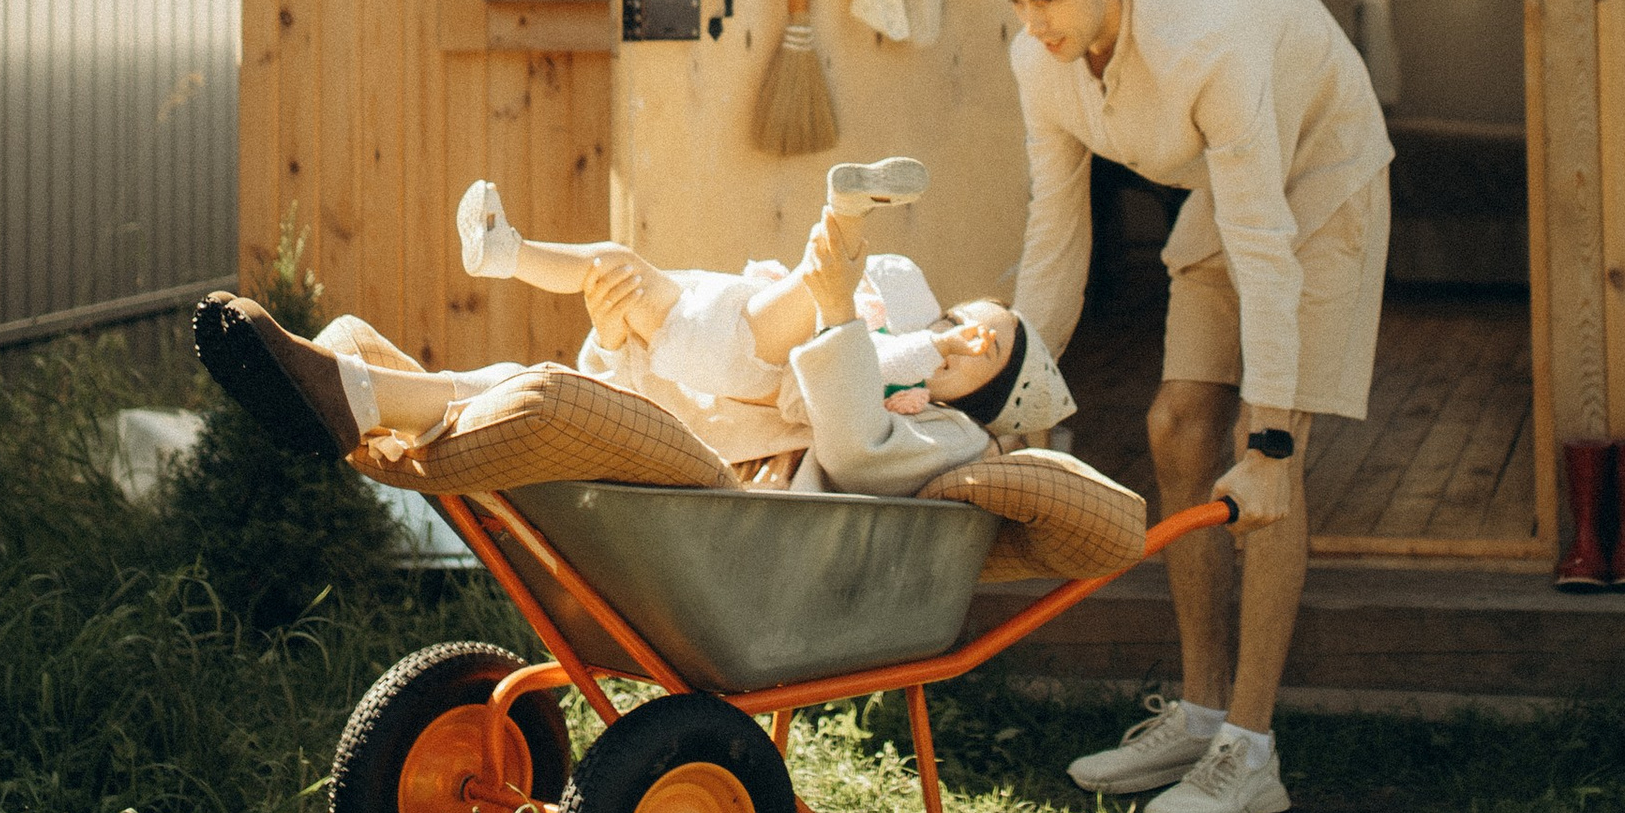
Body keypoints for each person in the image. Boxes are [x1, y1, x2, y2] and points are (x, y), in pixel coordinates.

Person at [996, 0, 1392, 813]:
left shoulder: (1204, 40)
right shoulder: (1040, 62)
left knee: (1266, 474)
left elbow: (1265, 246)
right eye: (1017, 5)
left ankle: (1250, 753)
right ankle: (1203, 714)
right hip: (1236, 178)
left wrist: (1271, 442)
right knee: (1175, 425)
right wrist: (1011, 401)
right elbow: (1056, 241)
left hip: (1323, 174)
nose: (1035, 24)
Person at [196, 159, 1061, 495]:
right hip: (702, 397)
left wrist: (842, 314)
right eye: (954, 320)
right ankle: (354, 386)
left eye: (973, 333)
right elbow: (658, 385)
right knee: (540, 364)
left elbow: (857, 454)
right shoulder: (890, 340)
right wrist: (616, 337)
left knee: (543, 396)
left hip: (743, 481)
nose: (955, 335)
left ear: (995, 375)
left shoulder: (946, 437)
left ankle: (352, 387)